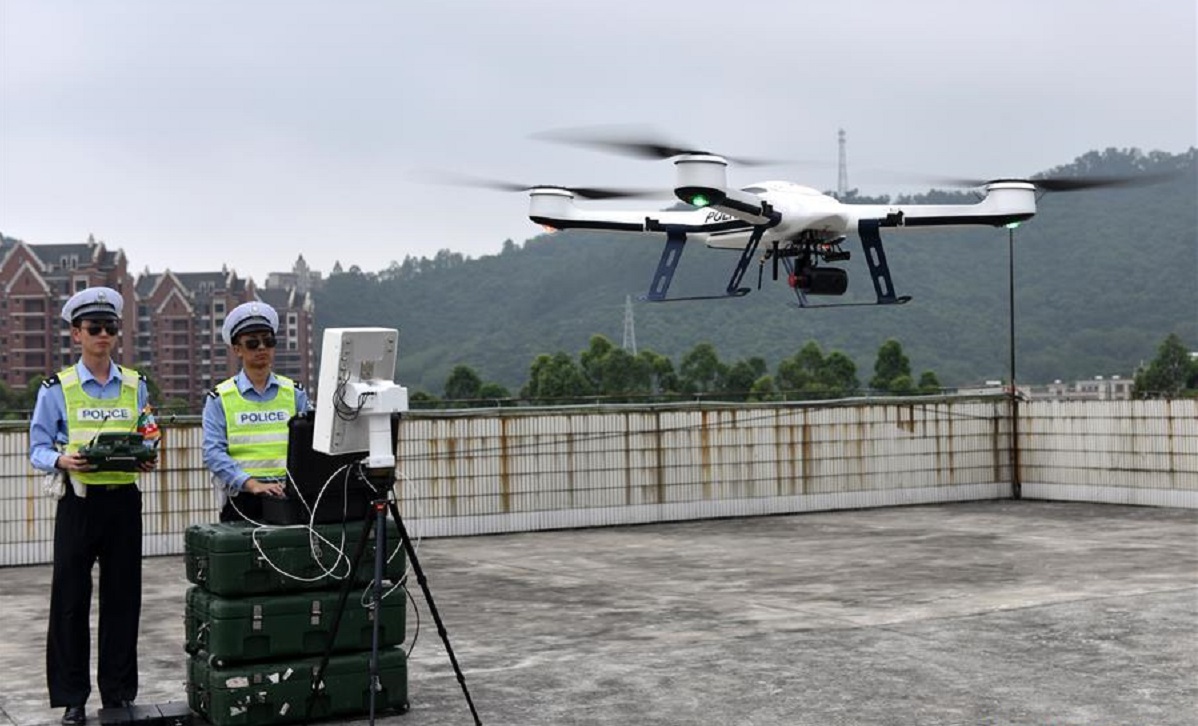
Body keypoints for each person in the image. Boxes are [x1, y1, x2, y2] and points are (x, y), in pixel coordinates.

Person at [28, 286, 157, 726]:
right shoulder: (56, 389)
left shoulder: (136, 385)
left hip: (123, 502)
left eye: (111, 328)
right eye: (94, 328)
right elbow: (37, 447)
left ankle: (118, 694)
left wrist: (148, 454)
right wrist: (62, 459)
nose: (104, 335)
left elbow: (148, 430)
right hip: (78, 504)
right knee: (70, 601)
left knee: (123, 601)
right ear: (76, 335)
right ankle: (72, 698)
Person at [202, 301, 310, 522]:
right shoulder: (220, 398)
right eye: (252, 343)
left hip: (289, 496)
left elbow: (312, 443)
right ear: (237, 349)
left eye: (268, 341)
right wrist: (252, 484)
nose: (262, 348)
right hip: (243, 500)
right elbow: (213, 453)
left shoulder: (295, 394)